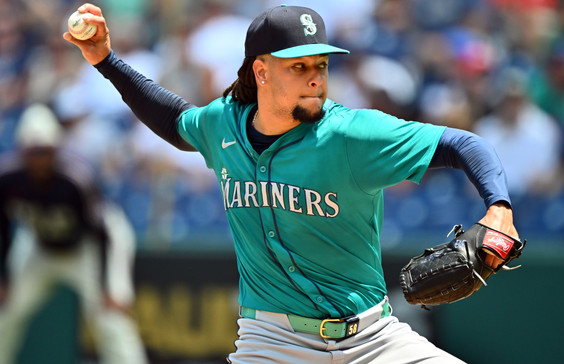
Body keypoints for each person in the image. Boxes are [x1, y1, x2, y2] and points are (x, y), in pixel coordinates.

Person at [64, 4, 520, 363]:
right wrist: (104, 59)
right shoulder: (223, 125)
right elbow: (173, 119)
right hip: (272, 344)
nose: (315, 78)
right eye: (298, 67)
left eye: (320, 65)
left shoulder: (351, 135)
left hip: (374, 340)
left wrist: (498, 207)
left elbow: (465, 144)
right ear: (261, 72)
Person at [0, 103, 148, 364]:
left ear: (56, 149)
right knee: (6, 312)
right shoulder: (9, 179)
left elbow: (103, 231)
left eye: (45, 151)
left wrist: (108, 288)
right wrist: (4, 277)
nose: (39, 159)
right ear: (22, 151)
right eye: (33, 152)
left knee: (111, 319)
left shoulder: (74, 179)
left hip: (90, 247)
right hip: (40, 246)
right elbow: (3, 228)